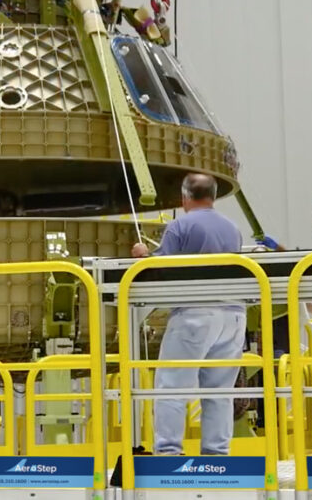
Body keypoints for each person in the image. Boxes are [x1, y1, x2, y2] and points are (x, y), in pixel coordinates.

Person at [131, 173, 245, 455]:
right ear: (214, 196)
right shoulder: (233, 228)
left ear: (184, 197)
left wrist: (142, 256)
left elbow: (161, 271)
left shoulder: (179, 226)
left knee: (172, 387)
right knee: (219, 392)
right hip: (233, 317)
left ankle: (169, 453)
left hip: (195, 315)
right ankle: (217, 455)